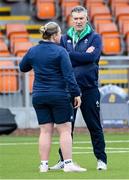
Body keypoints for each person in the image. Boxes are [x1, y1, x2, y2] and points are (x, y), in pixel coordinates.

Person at [19, 22, 87, 173]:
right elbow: (69, 76)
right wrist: (77, 93)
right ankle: (68, 164)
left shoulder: (33, 50)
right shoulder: (61, 51)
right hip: (58, 95)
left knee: (45, 131)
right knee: (64, 130)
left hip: (39, 95)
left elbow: (23, 67)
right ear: (55, 35)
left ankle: (43, 165)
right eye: (60, 33)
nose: (61, 36)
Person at [49, 6, 107, 171]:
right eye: (76, 18)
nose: (79, 21)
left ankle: (101, 160)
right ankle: (63, 160)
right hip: (69, 89)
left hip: (89, 89)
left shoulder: (95, 37)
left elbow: (92, 57)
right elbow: (60, 59)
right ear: (71, 19)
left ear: (87, 19)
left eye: (81, 18)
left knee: (94, 126)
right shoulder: (64, 37)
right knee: (66, 127)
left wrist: (69, 54)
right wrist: (79, 56)